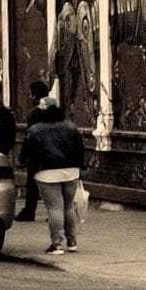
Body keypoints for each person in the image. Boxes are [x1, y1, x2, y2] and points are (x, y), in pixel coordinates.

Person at [18, 94, 85, 255]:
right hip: (71, 171)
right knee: (68, 206)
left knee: (55, 207)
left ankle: (56, 244)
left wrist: (24, 162)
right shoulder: (71, 127)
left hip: (46, 172)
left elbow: (25, 153)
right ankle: (72, 241)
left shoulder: (35, 130)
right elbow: (79, 148)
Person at [15, 81, 55, 222]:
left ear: (36, 96)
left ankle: (29, 211)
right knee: (52, 183)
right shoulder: (55, 111)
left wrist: (22, 156)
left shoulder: (35, 114)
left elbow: (30, 136)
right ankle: (54, 212)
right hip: (54, 152)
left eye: (31, 94)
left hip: (37, 154)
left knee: (32, 184)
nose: (29, 97)